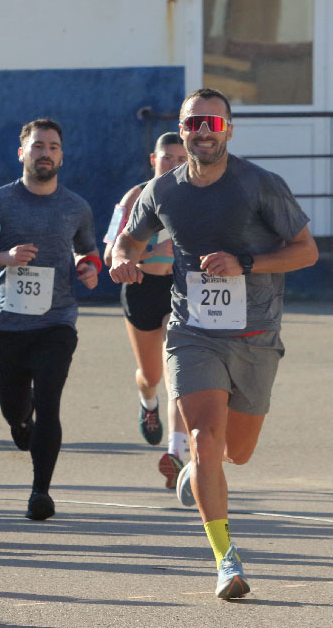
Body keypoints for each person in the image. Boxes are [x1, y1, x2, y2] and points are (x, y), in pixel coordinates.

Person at [110, 88, 318, 599]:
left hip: (254, 336)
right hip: (193, 332)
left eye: (213, 122)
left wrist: (244, 264)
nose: (203, 130)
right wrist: (121, 257)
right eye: (193, 122)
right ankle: (226, 559)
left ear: (228, 129)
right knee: (203, 439)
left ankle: (204, 473)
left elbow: (307, 252)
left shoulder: (260, 186)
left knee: (236, 453)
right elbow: (130, 239)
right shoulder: (162, 191)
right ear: (181, 130)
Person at [0, 118, 100, 522]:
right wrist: (5, 257)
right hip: (6, 324)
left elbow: (89, 251)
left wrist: (88, 268)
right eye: (37, 146)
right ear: (22, 153)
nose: (45, 153)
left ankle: (40, 492)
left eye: (52, 146)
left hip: (57, 322)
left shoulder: (76, 207)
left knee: (49, 405)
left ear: (61, 156)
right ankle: (19, 422)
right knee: (15, 411)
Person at [102, 132, 190, 487]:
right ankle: (147, 401)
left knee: (177, 375)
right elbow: (111, 252)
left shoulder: (195, 197)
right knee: (151, 375)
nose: (174, 164)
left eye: (181, 159)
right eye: (167, 158)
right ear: (154, 161)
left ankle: (176, 453)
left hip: (179, 291)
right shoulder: (136, 197)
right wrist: (132, 255)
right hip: (141, 289)